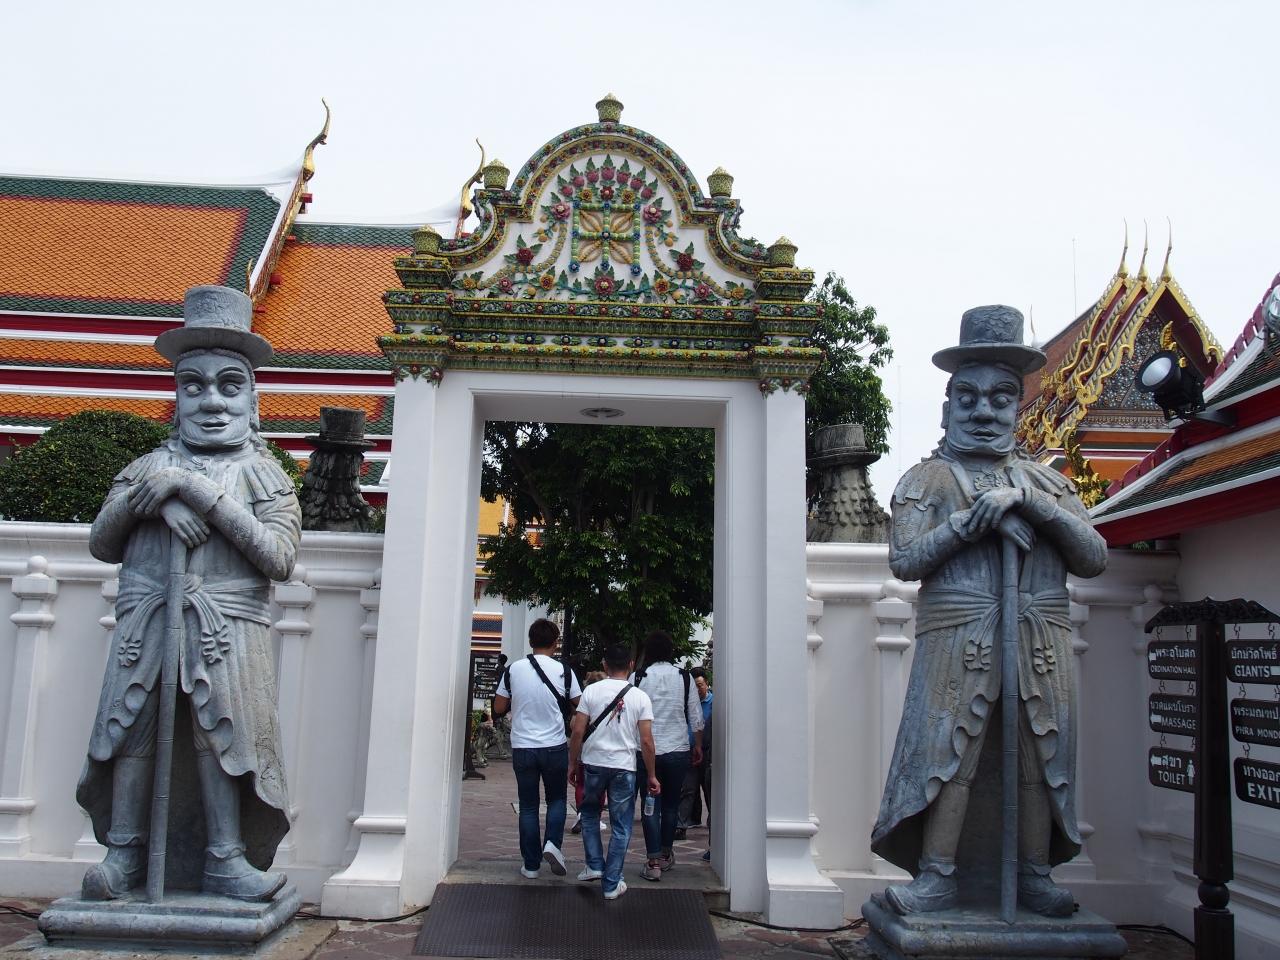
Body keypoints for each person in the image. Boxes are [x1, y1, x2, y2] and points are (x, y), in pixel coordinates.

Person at [870, 305, 1107, 916]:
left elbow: (1093, 557)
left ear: (1019, 408)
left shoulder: (1048, 484)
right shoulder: (927, 479)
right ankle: (938, 873)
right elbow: (906, 560)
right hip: (960, 634)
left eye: (1001, 399)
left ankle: (1033, 875)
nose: (983, 412)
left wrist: (1030, 505)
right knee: (949, 755)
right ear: (946, 408)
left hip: (1037, 637)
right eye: (968, 398)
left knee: (1040, 759)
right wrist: (972, 522)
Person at [78, 285, 302, 901]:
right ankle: (125, 852)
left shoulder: (263, 474)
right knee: (132, 729)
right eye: (192, 385)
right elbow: (102, 541)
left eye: (230, 386)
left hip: (225, 626)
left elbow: (278, 558)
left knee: (221, 736)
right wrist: (153, 500)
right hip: (148, 622)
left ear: (254, 400)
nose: (211, 401)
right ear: (174, 398)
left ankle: (225, 856)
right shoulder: (147, 468)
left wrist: (200, 493)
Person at [493, 618, 581, 879]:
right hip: (554, 746)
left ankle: (531, 865)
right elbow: (581, 704)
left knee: (529, 806)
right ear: (556, 642)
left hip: (523, 746)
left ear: (531, 642)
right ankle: (552, 844)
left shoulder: (513, 670)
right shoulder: (564, 671)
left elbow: (499, 707)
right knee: (557, 800)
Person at [569, 643, 659, 901]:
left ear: (604, 665)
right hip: (624, 766)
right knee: (621, 824)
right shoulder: (640, 697)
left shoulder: (591, 691)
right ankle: (611, 883)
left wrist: (572, 763)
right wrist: (651, 774)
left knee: (589, 815)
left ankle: (594, 864)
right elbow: (646, 741)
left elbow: (578, 730)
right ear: (630, 665)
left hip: (594, 763)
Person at [632, 631, 703, 881]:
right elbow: (695, 716)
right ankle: (665, 853)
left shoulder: (637, 677)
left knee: (650, 805)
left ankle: (652, 861)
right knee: (671, 805)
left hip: (646, 751)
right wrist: (697, 745)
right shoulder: (684, 677)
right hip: (677, 749)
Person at [677, 667, 713, 835]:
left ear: (707, 684)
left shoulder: (714, 703)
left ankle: (714, 823)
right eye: (694, 686)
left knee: (709, 790)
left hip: (708, 752)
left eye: (700, 685)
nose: (697, 690)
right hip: (690, 751)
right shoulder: (686, 704)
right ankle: (681, 825)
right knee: (688, 788)